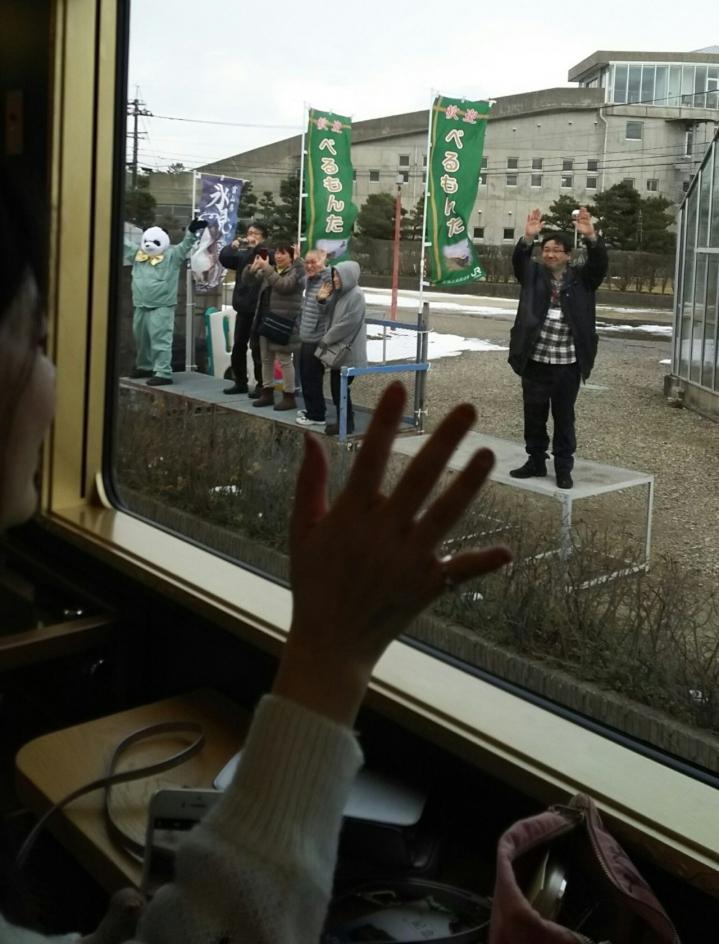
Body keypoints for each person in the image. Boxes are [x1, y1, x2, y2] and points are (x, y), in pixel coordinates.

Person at [0, 159, 512, 944]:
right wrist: (330, 658)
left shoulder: (314, 287)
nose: (56, 377)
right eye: (40, 341)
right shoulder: (258, 277)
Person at [508, 206, 608, 490]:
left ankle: (564, 468)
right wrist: (528, 238)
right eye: (546, 250)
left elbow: (599, 264)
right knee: (534, 414)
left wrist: (591, 237)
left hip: (567, 362)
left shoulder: (583, 279)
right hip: (536, 359)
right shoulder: (533, 275)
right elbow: (519, 261)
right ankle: (535, 461)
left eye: (556, 250)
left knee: (564, 416)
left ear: (568, 255)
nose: (550, 254)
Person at [130, 221, 206, 386]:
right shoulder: (138, 255)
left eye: (155, 242)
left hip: (162, 305)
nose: (149, 245)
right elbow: (122, 245)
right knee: (141, 339)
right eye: (147, 241)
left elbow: (184, 246)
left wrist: (191, 232)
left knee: (160, 339)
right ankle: (144, 366)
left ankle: (163, 372)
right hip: (140, 304)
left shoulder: (172, 255)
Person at [250, 242, 305, 411]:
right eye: (277, 253)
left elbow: (284, 285)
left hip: (283, 323)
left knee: (284, 360)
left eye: (283, 253)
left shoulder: (296, 272)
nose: (278, 256)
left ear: (291, 257)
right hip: (265, 320)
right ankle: (267, 392)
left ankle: (289, 396)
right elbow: (250, 280)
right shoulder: (272, 270)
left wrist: (267, 268)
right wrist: (252, 269)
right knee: (266, 359)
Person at [315, 261, 366, 437]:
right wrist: (322, 300)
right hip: (339, 349)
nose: (335, 279)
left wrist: (327, 338)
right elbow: (327, 313)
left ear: (348, 276)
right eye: (334, 275)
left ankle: (346, 423)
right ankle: (343, 420)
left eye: (338, 275)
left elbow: (348, 323)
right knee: (337, 387)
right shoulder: (340, 294)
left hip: (349, 351)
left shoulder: (356, 295)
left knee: (340, 387)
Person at [220, 222, 271, 396]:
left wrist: (257, 247)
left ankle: (262, 385)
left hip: (259, 309)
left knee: (257, 349)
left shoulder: (266, 254)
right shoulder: (243, 255)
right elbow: (225, 259)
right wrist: (231, 247)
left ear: (263, 237)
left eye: (256, 233)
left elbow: (269, 259)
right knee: (238, 347)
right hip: (242, 307)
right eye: (249, 232)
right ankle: (240, 382)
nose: (251, 236)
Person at [296, 248, 331, 429]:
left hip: (316, 337)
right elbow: (299, 278)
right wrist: (297, 261)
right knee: (305, 376)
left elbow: (327, 308)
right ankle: (312, 409)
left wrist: (322, 265)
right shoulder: (310, 280)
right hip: (306, 335)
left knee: (312, 377)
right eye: (307, 262)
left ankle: (317, 414)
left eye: (313, 262)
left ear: (322, 262)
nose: (309, 266)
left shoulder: (326, 279)